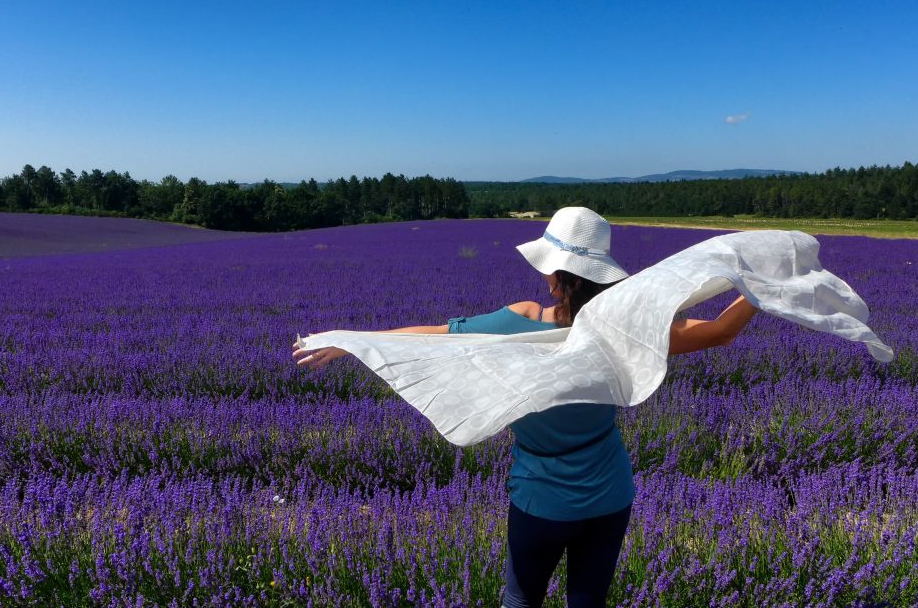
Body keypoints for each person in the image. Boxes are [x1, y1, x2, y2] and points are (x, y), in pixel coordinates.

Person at [293, 207, 760, 608]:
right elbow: (720, 331)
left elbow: (430, 336)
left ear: (552, 273)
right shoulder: (624, 330)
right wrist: (760, 288)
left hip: (542, 498)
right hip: (611, 493)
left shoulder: (515, 323)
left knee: (520, 598)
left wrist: (349, 342)